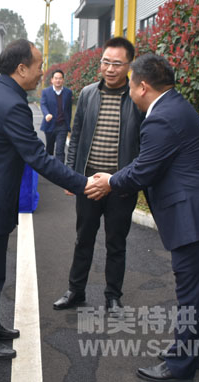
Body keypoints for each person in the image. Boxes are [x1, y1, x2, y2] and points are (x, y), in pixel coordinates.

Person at [86, 53, 199, 381]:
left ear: (143, 87)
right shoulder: (173, 106)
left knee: (192, 296)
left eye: (130, 85)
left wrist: (110, 181)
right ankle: (193, 353)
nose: (128, 92)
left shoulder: (161, 118)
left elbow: (144, 170)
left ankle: (180, 366)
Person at [0, 40, 92, 360]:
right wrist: (83, 184)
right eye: (39, 66)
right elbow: (38, 157)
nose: (42, 72)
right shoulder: (12, 104)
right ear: (21, 69)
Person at [52, 38, 143, 317]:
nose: (110, 69)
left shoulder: (137, 99)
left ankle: (113, 297)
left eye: (117, 63)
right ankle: (75, 290)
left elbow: (144, 144)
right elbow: (76, 135)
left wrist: (131, 180)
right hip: (89, 182)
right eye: (106, 62)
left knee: (116, 243)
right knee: (84, 238)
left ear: (128, 66)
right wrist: (72, 177)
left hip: (121, 184)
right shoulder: (88, 94)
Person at [39, 69, 73, 163]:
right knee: (49, 149)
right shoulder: (46, 92)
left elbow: (69, 110)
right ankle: (49, 168)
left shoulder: (68, 92)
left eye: (60, 78)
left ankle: (60, 170)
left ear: (63, 80)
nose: (58, 80)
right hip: (50, 125)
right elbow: (43, 104)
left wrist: (68, 124)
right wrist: (47, 114)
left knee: (60, 151)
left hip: (62, 126)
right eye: (56, 78)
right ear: (52, 80)